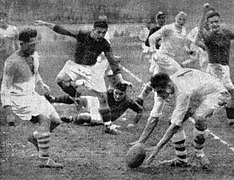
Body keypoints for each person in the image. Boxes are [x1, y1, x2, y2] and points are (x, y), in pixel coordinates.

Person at [34, 20, 131, 134]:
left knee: (103, 98)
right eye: (98, 32)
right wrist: (45, 24)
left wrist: (121, 79)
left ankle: (108, 126)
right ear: (93, 30)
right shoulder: (82, 35)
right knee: (60, 80)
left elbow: (113, 62)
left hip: (91, 69)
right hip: (75, 65)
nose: (101, 35)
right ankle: (76, 96)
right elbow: (62, 30)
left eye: (103, 33)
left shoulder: (104, 43)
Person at [132, 69, 230, 168]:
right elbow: (154, 115)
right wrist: (140, 142)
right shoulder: (163, 84)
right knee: (172, 121)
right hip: (197, 93)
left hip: (216, 92)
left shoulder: (182, 92)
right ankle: (181, 160)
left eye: (160, 92)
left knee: (199, 117)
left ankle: (199, 153)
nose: (158, 95)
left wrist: (154, 152)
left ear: (169, 86)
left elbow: (175, 126)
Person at [0, 28, 63, 168]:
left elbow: (35, 73)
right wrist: (9, 111)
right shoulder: (12, 62)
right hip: (19, 99)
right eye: (31, 45)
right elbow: (5, 88)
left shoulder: (35, 55)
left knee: (56, 120)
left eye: (35, 44)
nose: (34, 47)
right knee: (45, 120)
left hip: (32, 95)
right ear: (21, 43)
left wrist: (42, 84)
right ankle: (44, 160)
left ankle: (36, 137)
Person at [45, 82, 143, 131]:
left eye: (120, 94)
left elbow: (140, 110)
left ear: (125, 93)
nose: (117, 96)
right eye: (116, 93)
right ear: (113, 90)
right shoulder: (109, 92)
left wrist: (133, 123)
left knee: (82, 117)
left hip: (104, 117)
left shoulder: (128, 101)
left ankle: (71, 119)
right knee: (80, 99)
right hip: (99, 105)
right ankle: (53, 99)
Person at [196, 3, 234, 127]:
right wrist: (203, 13)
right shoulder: (209, 36)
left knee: (224, 95)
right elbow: (200, 32)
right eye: (212, 22)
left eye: (216, 21)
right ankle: (202, 115)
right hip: (216, 67)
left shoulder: (226, 32)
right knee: (225, 94)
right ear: (208, 24)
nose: (215, 24)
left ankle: (230, 118)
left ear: (220, 21)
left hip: (224, 68)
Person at [186, 7, 215, 71]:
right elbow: (190, 41)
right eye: (208, 16)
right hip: (197, 53)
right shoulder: (196, 30)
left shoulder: (214, 30)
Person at [0, 11, 19, 83]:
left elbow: (17, 43)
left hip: (11, 56)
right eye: (0, 18)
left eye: (3, 18)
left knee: (12, 76)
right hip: (1, 57)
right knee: (2, 76)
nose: (1, 20)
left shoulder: (13, 29)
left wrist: (19, 54)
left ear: (6, 19)